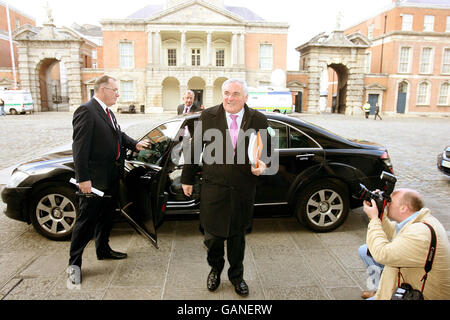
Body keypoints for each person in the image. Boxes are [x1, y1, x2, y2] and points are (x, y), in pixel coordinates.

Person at [180, 79, 269, 297]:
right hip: (214, 189)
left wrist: (264, 164)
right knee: (213, 238)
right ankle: (215, 269)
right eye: (227, 93)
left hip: (242, 191)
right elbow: (193, 148)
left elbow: (266, 152)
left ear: (245, 97)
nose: (230, 98)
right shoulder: (208, 116)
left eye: (236, 94)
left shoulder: (258, 119)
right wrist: (187, 179)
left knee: (237, 238)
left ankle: (237, 276)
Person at [68, 75, 149, 285]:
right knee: (85, 223)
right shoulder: (86, 110)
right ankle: (73, 266)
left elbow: (117, 135)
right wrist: (83, 178)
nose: (118, 93)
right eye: (115, 90)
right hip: (94, 181)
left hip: (112, 177)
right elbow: (79, 147)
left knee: (106, 217)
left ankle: (103, 249)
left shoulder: (108, 112)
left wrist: (135, 144)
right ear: (103, 90)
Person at [360, 188, 450, 300]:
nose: (387, 204)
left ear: (403, 208)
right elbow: (391, 231)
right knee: (364, 250)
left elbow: (381, 254)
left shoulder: (419, 234)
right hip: (409, 278)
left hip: (422, 295)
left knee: (375, 251)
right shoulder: (419, 220)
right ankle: (380, 290)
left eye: (390, 202)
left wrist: (374, 219)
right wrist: (379, 213)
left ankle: (382, 293)